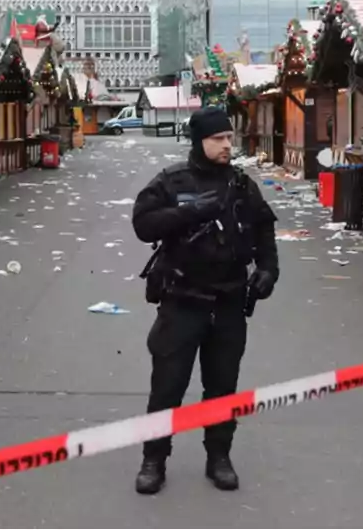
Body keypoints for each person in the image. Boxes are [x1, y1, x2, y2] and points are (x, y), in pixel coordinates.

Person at [130, 105, 280, 495]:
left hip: (229, 301)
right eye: (218, 139)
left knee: (222, 386)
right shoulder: (171, 181)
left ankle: (219, 456)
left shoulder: (242, 185)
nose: (227, 145)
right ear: (199, 141)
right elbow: (143, 225)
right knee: (167, 386)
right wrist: (188, 212)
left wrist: (267, 271)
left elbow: (264, 229)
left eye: (230, 138)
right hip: (182, 300)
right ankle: (154, 459)